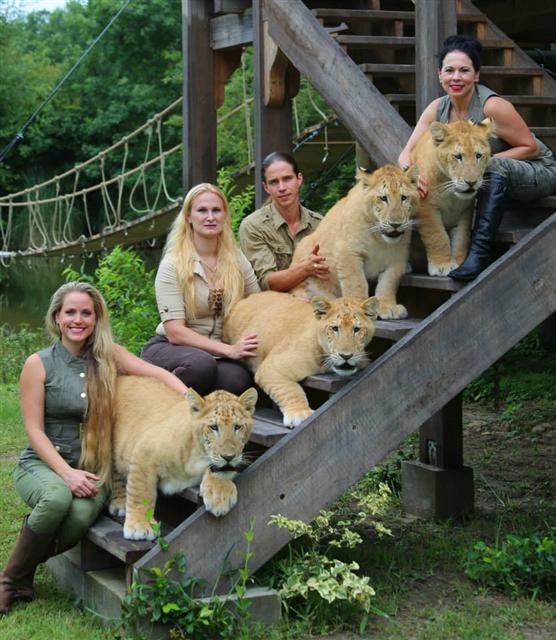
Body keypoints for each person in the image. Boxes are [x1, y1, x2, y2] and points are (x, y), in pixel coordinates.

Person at [0, 281, 188, 615]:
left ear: (96, 318)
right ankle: (9, 581)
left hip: (94, 471)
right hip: (44, 465)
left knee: (81, 515)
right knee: (56, 499)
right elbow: (34, 431)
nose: (78, 319)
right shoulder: (38, 364)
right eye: (70, 312)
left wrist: (189, 402)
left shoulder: (109, 357)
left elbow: (157, 373)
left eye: (86, 313)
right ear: (57, 317)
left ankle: (23, 574)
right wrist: (67, 474)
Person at [398, 34, 556, 281]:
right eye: (449, 71)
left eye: (464, 70)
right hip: (486, 175)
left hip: (536, 170)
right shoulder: (437, 109)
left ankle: (479, 252)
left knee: (490, 164)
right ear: (440, 75)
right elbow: (405, 153)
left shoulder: (492, 107)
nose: (456, 77)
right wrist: (412, 175)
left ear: (477, 75)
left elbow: (530, 148)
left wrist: (478, 163)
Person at [141, 183, 260, 395]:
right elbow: (175, 332)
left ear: (225, 215)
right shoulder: (173, 264)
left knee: (238, 380)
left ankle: (204, 410)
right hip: (171, 346)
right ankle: (155, 397)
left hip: (217, 351)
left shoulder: (236, 259)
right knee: (200, 366)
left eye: (216, 210)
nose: (210, 217)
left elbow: (258, 304)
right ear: (188, 216)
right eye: (202, 211)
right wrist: (231, 350)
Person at [239, 151, 329, 291]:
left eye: (287, 179)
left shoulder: (320, 224)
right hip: (273, 308)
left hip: (314, 303)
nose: (282, 188)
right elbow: (267, 283)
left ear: (299, 179)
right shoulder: (252, 226)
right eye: (274, 182)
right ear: (266, 187)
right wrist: (306, 269)